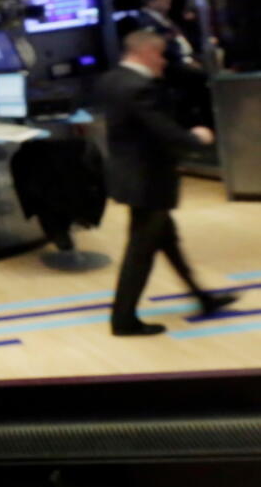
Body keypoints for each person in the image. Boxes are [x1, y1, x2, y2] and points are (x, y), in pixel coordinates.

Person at [97, 30, 236, 337]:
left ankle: (203, 298)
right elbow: (165, 132)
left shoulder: (111, 80)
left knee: (168, 243)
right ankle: (123, 320)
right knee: (140, 252)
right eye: (159, 55)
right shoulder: (140, 87)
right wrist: (196, 138)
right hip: (148, 181)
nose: (162, 62)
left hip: (130, 177)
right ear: (145, 53)